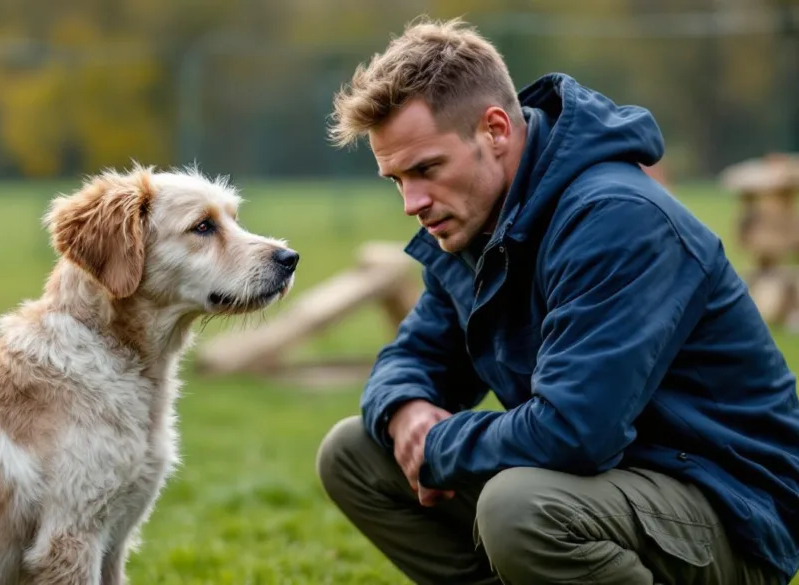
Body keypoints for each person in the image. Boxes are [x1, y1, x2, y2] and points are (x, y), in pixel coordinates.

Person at [316, 16, 799, 585]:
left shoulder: (617, 219)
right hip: (601, 489)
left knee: (519, 508)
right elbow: (413, 357)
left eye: (426, 169)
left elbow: (574, 432)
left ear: (495, 130)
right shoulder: (474, 222)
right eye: (395, 180)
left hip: (727, 508)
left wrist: (437, 443)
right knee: (353, 452)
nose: (412, 202)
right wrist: (405, 410)